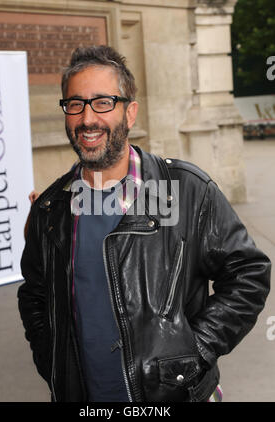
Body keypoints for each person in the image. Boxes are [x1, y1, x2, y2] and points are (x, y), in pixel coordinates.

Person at [18, 45, 271, 403]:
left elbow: (249, 273)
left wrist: (192, 350)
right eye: (75, 104)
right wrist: (52, 362)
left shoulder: (184, 191)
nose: (87, 118)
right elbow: (34, 295)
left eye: (103, 102)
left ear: (130, 112)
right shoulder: (51, 209)